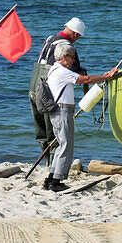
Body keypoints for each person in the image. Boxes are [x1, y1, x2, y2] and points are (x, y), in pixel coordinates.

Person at [44, 42, 117, 192]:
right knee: (66, 145)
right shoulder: (62, 71)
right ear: (64, 57)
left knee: (60, 144)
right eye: (72, 58)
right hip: (62, 111)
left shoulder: (54, 70)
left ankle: (50, 178)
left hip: (58, 111)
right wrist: (106, 76)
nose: (73, 61)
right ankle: (56, 182)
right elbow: (86, 79)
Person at [29, 17, 87, 161]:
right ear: (76, 34)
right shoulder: (67, 48)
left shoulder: (50, 39)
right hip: (49, 94)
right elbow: (74, 74)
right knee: (53, 134)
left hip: (34, 88)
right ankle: (53, 166)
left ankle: (47, 161)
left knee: (41, 132)